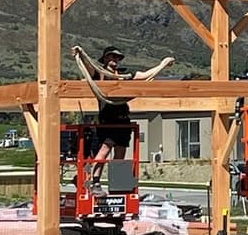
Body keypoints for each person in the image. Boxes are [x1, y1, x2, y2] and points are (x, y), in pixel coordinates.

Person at [71, 45, 174, 186]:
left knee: (120, 150)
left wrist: (163, 64)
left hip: (123, 118)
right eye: (112, 56)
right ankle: (93, 180)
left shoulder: (124, 76)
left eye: (117, 57)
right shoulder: (100, 74)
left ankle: (118, 184)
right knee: (105, 149)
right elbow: (89, 68)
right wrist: (81, 54)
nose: (115, 59)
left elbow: (145, 75)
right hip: (108, 118)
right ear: (105, 58)